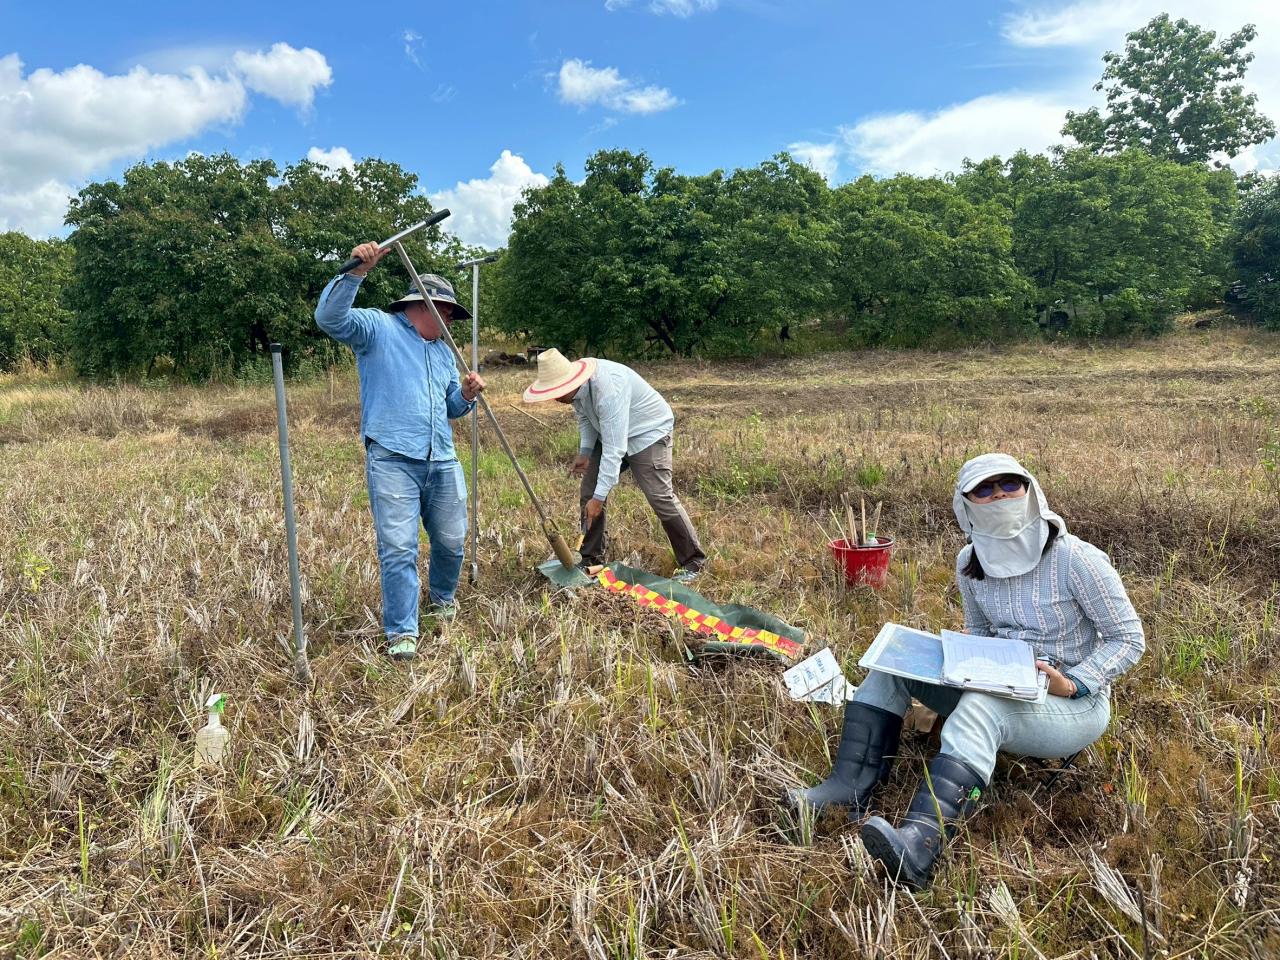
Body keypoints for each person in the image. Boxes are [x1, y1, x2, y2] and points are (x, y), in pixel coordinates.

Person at [788, 453, 1144, 890]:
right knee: (890, 665)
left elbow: (1128, 638)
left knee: (980, 707)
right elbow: (979, 633)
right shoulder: (968, 563)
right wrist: (954, 661)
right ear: (966, 503)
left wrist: (1073, 683)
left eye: (1009, 485)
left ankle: (920, 845)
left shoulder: (1077, 560)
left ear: (1030, 491)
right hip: (1002, 683)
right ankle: (849, 788)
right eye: (985, 489)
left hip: (1071, 704)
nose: (999, 496)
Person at [315, 242, 485, 661]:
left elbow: (450, 406)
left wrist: (464, 394)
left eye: (450, 315)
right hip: (392, 457)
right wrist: (357, 272)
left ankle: (443, 600)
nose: (449, 321)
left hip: (441, 458)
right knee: (398, 547)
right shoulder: (378, 328)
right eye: (444, 312)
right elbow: (329, 318)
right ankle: (402, 631)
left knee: (451, 540)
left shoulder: (444, 352)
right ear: (420, 307)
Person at [522, 349, 706, 581]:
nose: (555, 397)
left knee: (659, 496)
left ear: (570, 380)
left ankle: (693, 562)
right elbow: (585, 417)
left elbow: (614, 450)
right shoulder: (576, 388)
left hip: (648, 431)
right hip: (613, 432)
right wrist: (585, 452)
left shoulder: (608, 389)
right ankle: (591, 558)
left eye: (558, 390)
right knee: (588, 492)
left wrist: (599, 499)